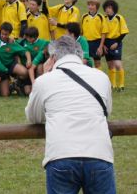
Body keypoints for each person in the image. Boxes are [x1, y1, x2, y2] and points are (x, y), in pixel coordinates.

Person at [25, 36, 115, 194]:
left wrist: (45, 74)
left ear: (53, 57)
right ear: (80, 54)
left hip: (61, 153)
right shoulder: (102, 77)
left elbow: (33, 117)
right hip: (99, 152)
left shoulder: (44, 81)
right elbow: (106, 111)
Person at [0, 22, 31, 97]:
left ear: (10, 34)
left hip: (9, 65)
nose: (4, 36)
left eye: (6, 34)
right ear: (0, 31)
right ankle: (8, 86)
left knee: (24, 72)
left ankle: (17, 83)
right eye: (2, 33)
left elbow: (26, 52)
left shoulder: (12, 43)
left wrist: (29, 60)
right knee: (5, 95)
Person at [103, 0, 129, 91]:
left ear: (114, 8)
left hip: (116, 42)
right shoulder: (104, 19)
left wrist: (117, 42)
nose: (107, 9)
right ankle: (112, 85)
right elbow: (101, 33)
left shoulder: (119, 18)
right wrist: (103, 45)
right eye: (106, 7)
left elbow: (124, 32)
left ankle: (121, 85)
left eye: (109, 7)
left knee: (118, 64)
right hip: (106, 43)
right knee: (110, 65)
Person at [81, 0, 108, 70]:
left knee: (97, 63)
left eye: (92, 5)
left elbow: (104, 33)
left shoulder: (101, 17)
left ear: (97, 6)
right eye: (89, 5)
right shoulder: (84, 16)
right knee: (86, 62)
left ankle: (99, 79)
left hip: (96, 43)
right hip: (86, 43)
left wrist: (101, 46)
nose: (90, 7)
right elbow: (81, 32)